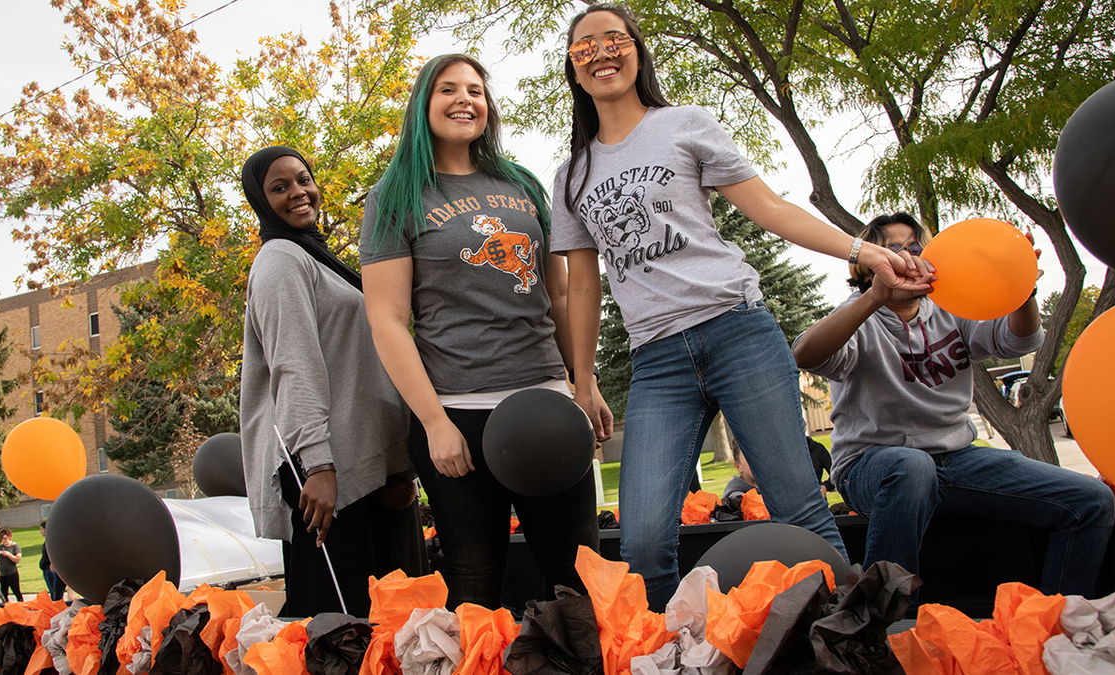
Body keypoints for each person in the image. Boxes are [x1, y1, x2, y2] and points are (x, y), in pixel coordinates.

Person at [550, 3, 932, 610]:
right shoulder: (572, 174)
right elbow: (582, 284)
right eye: (584, 46)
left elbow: (771, 208)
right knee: (644, 542)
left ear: (637, 51)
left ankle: (849, 641)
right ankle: (674, 654)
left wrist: (865, 251)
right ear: (573, 69)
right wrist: (583, 377)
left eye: (614, 40)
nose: (601, 53)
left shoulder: (685, 125)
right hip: (658, 362)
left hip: (738, 333)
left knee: (800, 510)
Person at [360, 53, 608, 609]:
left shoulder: (520, 183)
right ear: (423, 105)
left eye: (475, 90)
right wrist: (433, 423)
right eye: (447, 89)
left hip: (544, 403)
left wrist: (583, 384)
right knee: (475, 577)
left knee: (577, 575)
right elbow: (388, 320)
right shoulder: (395, 195)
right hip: (456, 412)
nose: (464, 100)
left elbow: (560, 292)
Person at [792, 212, 1115, 596]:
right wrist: (876, 297)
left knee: (1092, 499)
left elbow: (1020, 341)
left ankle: (1051, 624)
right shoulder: (858, 315)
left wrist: (1022, 288)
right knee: (911, 467)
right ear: (868, 264)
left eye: (917, 248)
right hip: (872, 465)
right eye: (894, 250)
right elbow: (805, 355)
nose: (909, 257)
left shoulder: (949, 308)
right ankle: (871, 623)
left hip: (956, 460)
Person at [239, 145, 424, 618]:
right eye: (279, 187)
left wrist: (398, 464)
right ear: (260, 202)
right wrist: (317, 466)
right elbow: (293, 366)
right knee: (340, 634)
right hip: (326, 478)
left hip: (372, 470)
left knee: (401, 630)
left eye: (303, 179)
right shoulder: (281, 260)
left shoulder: (318, 257)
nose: (298, 193)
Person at [0, 528, 23, 602]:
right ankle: (6, 605)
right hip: (1, 573)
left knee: (16, 590)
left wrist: (8, 554)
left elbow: (17, 559)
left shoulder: (15, 546)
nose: (4, 541)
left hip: (11, 572)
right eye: (2, 539)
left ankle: (21, 603)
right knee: (3, 592)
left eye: (5, 538)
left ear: (9, 537)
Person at [38, 521, 64, 602]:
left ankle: (57, 605)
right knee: (52, 590)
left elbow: (55, 552)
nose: (40, 531)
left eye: (42, 529)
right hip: (45, 568)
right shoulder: (47, 541)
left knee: (55, 590)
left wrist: (53, 563)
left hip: (50, 569)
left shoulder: (52, 541)